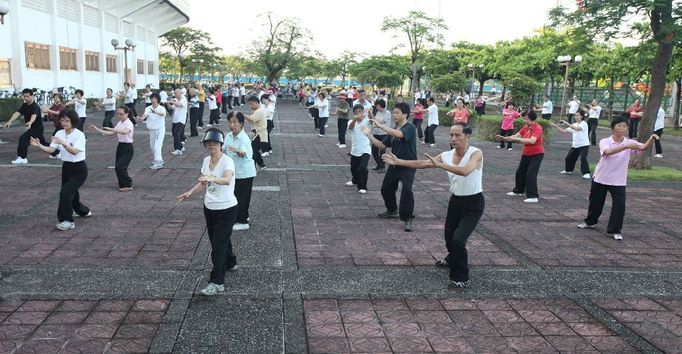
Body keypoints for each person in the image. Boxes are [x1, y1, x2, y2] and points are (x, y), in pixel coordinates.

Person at [383, 124, 484, 288]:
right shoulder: (447, 155)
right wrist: (399, 161)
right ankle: (452, 258)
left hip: (474, 203)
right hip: (455, 201)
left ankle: (461, 277)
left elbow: (465, 171)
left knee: (458, 240)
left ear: (467, 136)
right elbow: (423, 163)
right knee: (449, 238)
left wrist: (439, 165)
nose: (453, 139)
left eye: (457, 135)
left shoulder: (476, 153)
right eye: (451, 135)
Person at [177, 128, 238, 296]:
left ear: (221, 144)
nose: (212, 145)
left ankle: (216, 282)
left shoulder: (227, 162)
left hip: (227, 209)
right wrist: (189, 193)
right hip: (210, 208)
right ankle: (230, 261)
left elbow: (226, 180)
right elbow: (203, 183)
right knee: (219, 240)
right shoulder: (205, 161)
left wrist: (211, 178)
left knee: (218, 245)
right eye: (208, 143)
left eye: (215, 143)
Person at [578, 118, 658, 240]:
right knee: (595, 202)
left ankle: (614, 230)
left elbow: (643, 147)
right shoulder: (605, 141)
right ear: (613, 128)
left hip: (618, 180)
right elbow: (608, 152)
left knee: (619, 206)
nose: (622, 128)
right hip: (601, 177)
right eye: (619, 126)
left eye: (624, 126)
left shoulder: (629, 142)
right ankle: (590, 221)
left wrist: (651, 139)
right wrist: (625, 146)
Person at [30, 110, 91, 230]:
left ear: (73, 121)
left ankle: (67, 220)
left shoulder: (79, 135)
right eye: (62, 120)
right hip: (67, 167)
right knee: (71, 192)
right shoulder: (59, 133)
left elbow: (74, 152)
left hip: (79, 169)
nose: (64, 122)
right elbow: (52, 150)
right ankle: (83, 211)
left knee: (66, 192)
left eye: (67, 120)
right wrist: (40, 146)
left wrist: (63, 143)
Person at [362, 102, 417, 231]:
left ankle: (407, 218)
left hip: (407, 165)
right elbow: (382, 146)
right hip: (393, 164)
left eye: (397, 113)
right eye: (394, 112)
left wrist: (381, 126)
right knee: (386, 189)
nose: (394, 115)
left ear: (405, 115)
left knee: (407, 190)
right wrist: (368, 134)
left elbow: (400, 135)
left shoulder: (410, 127)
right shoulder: (394, 130)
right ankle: (392, 210)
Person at [497, 110, 544, 203]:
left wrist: (518, 139)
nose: (524, 120)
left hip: (537, 154)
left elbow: (532, 141)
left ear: (532, 120)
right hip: (526, 153)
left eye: (526, 119)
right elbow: (516, 135)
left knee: (531, 174)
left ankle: (533, 196)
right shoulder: (526, 127)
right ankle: (519, 191)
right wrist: (505, 138)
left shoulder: (537, 128)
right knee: (520, 172)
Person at [88, 106, 134, 191]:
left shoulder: (129, 123)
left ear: (127, 114)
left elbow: (125, 132)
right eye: (118, 114)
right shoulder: (120, 123)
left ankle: (128, 183)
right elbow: (110, 133)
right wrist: (97, 129)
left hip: (128, 147)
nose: (119, 116)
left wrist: (113, 129)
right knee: (119, 167)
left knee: (120, 167)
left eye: (121, 114)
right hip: (120, 146)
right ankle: (124, 184)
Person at [224, 111, 257, 231]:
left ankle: (243, 221)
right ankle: (241, 217)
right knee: (234, 196)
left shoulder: (244, 138)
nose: (232, 125)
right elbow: (223, 150)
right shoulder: (228, 136)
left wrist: (238, 151)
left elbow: (245, 153)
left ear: (241, 124)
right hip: (234, 173)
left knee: (242, 197)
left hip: (244, 173)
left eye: (235, 122)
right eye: (230, 122)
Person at [4, 88, 48, 164]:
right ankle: (57, 152)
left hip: (37, 128)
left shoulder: (35, 106)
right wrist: (10, 121)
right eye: (24, 96)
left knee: (23, 139)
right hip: (32, 128)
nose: (25, 98)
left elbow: (34, 116)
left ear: (32, 96)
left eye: (27, 96)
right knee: (42, 143)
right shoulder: (25, 105)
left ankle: (22, 157)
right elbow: (17, 113)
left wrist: (30, 122)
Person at [552, 112, 591, 179]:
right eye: (575, 115)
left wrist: (565, 122)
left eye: (578, 115)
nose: (576, 117)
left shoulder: (584, 124)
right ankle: (568, 170)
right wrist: (556, 126)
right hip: (575, 145)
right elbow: (564, 131)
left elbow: (576, 128)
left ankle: (586, 173)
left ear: (581, 116)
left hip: (584, 145)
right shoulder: (574, 124)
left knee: (583, 158)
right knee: (568, 158)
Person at [136, 93, 167, 169]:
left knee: (157, 146)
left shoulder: (161, 108)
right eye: (152, 98)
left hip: (160, 129)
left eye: (154, 98)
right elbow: (144, 116)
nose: (153, 100)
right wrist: (140, 119)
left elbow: (163, 114)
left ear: (158, 99)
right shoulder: (148, 108)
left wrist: (155, 112)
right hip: (152, 130)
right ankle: (159, 160)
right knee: (152, 146)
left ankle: (158, 162)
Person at [346, 104, 372, 193]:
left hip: (365, 149)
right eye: (356, 112)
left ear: (362, 112)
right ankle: (354, 180)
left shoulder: (366, 121)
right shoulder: (350, 121)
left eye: (360, 112)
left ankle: (363, 187)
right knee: (353, 168)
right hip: (355, 150)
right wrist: (355, 118)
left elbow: (373, 121)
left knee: (362, 168)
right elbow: (350, 127)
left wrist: (370, 112)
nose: (358, 114)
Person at [369, 99, 392, 172]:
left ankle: (382, 167)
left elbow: (380, 122)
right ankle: (379, 165)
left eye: (378, 106)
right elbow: (372, 120)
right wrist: (370, 113)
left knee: (382, 151)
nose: (377, 108)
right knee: (374, 151)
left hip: (383, 134)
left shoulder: (387, 113)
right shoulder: (377, 112)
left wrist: (373, 117)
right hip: (376, 133)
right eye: (376, 106)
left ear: (382, 106)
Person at [245, 96, 267, 169]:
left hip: (259, 134)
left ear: (256, 103)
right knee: (255, 150)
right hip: (258, 134)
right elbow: (251, 121)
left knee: (253, 151)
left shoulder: (259, 111)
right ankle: (261, 164)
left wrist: (243, 116)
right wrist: (247, 117)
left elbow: (251, 119)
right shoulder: (257, 111)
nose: (250, 106)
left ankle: (252, 167)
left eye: (251, 104)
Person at [169, 89, 187, 157]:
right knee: (174, 133)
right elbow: (172, 108)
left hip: (181, 120)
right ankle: (181, 147)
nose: (175, 94)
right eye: (175, 93)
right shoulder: (176, 100)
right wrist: (167, 103)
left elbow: (179, 104)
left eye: (176, 93)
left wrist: (171, 101)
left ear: (180, 93)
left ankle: (178, 149)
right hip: (175, 120)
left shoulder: (183, 99)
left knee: (176, 133)